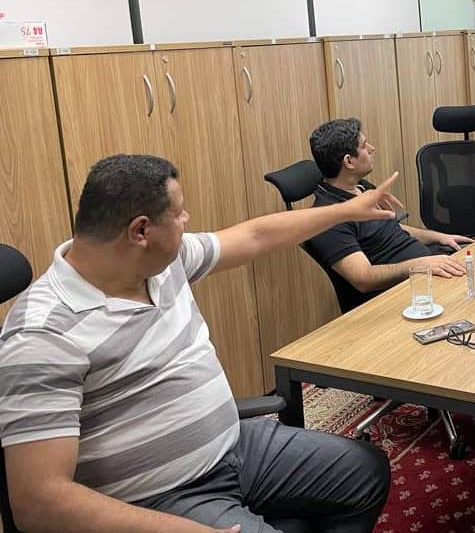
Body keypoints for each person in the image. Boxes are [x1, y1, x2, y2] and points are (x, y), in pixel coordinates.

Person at [0, 154, 399, 533]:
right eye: (179, 213)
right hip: (159, 498)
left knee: (364, 472)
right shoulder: (43, 335)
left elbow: (255, 235)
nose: (187, 220)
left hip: (234, 448)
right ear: (141, 231)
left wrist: (348, 210)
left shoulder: (162, 262)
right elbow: (38, 501)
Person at [308, 118, 474, 311]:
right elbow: (363, 277)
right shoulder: (328, 219)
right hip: (402, 297)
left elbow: (389, 228)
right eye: (364, 146)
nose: (372, 149)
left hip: (426, 271)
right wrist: (420, 265)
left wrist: (439, 237)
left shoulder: (361, 188)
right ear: (349, 161)